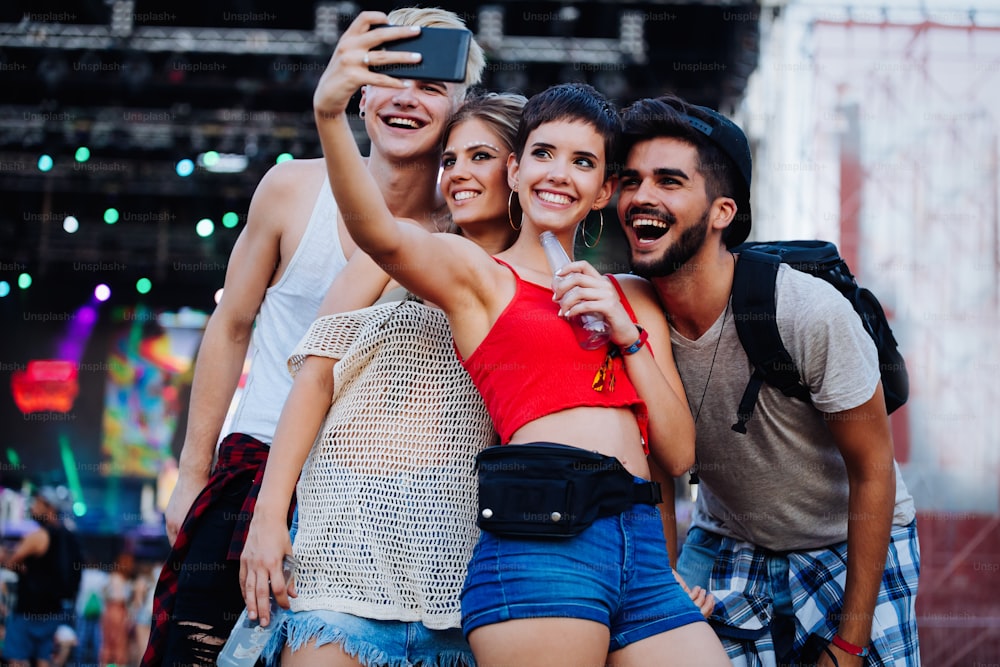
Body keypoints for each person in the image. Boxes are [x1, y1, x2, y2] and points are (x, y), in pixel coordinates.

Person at [313, 28, 730, 664]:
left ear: (603, 191)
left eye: (583, 163)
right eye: (543, 154)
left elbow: (678, 453)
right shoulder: (478, 277)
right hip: (542, 546)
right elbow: (381, 235)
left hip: (641, 554)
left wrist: (627, 335)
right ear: (516, 169)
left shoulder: (632, 296)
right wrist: (329, 114)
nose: (559, 175)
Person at [141, 7, 486, 666]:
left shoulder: (464, 229)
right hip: (257, 462)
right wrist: (190, 473)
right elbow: (231, 325)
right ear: (360, 91)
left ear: (459, 108)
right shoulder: (293, 189)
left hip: (380, 492)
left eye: (434, 84)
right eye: (391, 75)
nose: (409, 97)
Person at [614, 93, 920, 666]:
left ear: (722, 212)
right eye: (631, 180)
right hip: (729, 538)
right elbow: (655, 468)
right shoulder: (631, 318)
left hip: (846, 544)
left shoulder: (805, 311)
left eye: (669, 181)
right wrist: (665, 582)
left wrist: (850, 646)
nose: (641, 197)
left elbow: (874, 470)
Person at [240, 88, 525, 667]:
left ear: (519, 170)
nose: (458, 175)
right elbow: (313, 380)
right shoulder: (393, 251)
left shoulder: (542, 292)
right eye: (449, 160)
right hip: (339, 556)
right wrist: (268, 516)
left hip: (462, 578)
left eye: (480, 157)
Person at [0, 486, 83, 667]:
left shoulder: (39, 536)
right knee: (44, 661)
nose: (33, 508)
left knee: (18, 661)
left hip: (28, 613)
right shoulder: (71, 538)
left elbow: (9, 560)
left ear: (49, 507)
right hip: (55, 612)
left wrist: (15, 562)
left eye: (37, 503)